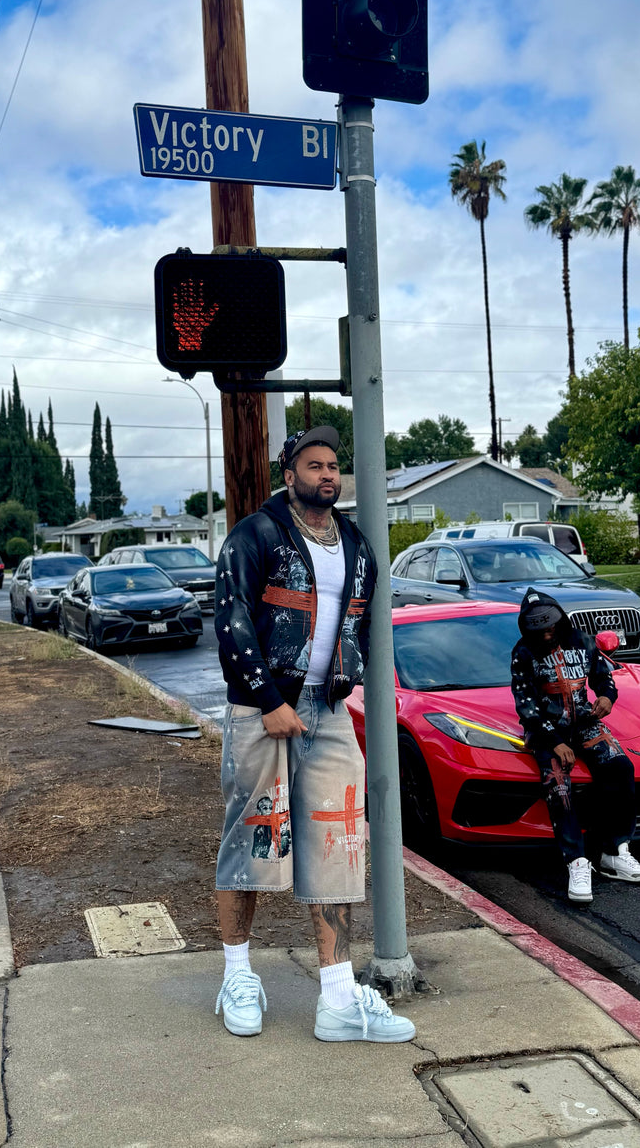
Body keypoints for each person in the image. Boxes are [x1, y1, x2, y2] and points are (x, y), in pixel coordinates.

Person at [212, 425, 415, 1044]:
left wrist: (346, 687)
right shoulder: (256, 535)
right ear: (290, 471)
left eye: (334, 466)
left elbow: (358, 625)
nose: (328, 475)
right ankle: (237, 977)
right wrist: (268, 699)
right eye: (315, 465)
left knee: (338, 847)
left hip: (327, 713)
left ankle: (336, 1002)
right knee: (253, 842)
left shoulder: (355, 543)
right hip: (263, 711)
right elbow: (232, 619)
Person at [510, 588, 640, 903]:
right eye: (539, 628)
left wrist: (606, 697)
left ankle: (615, 851)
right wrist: (555, 742)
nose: (547, 633)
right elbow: (527, 707)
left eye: (551, 625)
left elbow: (605, 679)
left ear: (560, 619)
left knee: (620, 766)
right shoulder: (523, 654)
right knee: (558, 783)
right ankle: (576, 861)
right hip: (545, 731)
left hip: (585, 723)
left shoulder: (582, 641)